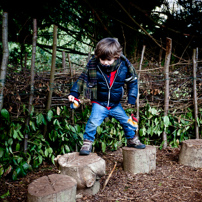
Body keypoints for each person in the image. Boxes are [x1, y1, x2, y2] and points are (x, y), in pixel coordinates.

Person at [68, 37, 145, 155]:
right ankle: (87, 143)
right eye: (102, 59)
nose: (105, 62)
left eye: (108, 60)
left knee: (126, 121)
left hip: (115, 104)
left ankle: (132, 139)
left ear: (116, 56)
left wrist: (132, 98)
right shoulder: (93, 64)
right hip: (99, 102)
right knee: (93, 122)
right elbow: (82, 79)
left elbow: (132, 81)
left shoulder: (124, 66)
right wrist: (74, 93)